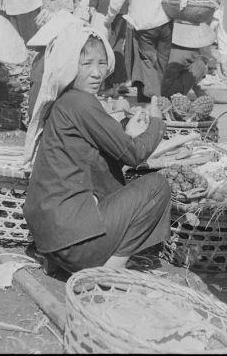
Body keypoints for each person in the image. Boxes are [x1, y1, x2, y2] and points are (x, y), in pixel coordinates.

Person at [23, 20, 171, 273]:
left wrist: (125, 133)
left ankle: (73, 262)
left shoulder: (65, 102)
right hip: (73, 241)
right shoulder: (81, 103)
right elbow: (135, 154)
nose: (96, 72)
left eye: (102, 63)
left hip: (52, 240)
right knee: (157, 186)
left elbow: (97, 156)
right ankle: (111, 269)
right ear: (70, 66)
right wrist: (156, 122)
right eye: (86, 64)